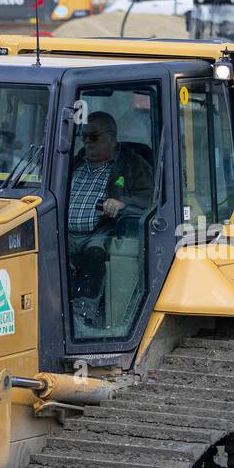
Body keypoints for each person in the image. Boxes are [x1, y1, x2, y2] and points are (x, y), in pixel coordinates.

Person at [66, 111, 154, 320]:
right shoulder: (76, 162)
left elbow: (151, 197)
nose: (87, 142)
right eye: (84, 137)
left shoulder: (132, 164)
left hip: (101, 231)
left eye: (94, 137)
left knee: (94, 256)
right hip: (64, 232)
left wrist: (123, 202)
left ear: (112, 138)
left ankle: (84, 312)